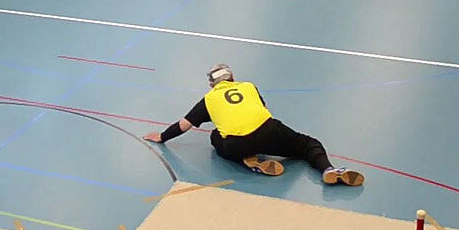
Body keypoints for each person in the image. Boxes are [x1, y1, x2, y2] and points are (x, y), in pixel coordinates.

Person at [144, 63, 364, 185]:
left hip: (236, 145)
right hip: (268, 130)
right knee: (307, 144)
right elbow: (262, 109)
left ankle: (248, 161)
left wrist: (162, 137)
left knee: (215, 137)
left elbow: (184, 125)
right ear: (232, 78)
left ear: (212, 85)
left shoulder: (209, 99)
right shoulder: (249, 86)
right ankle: (328, 169)